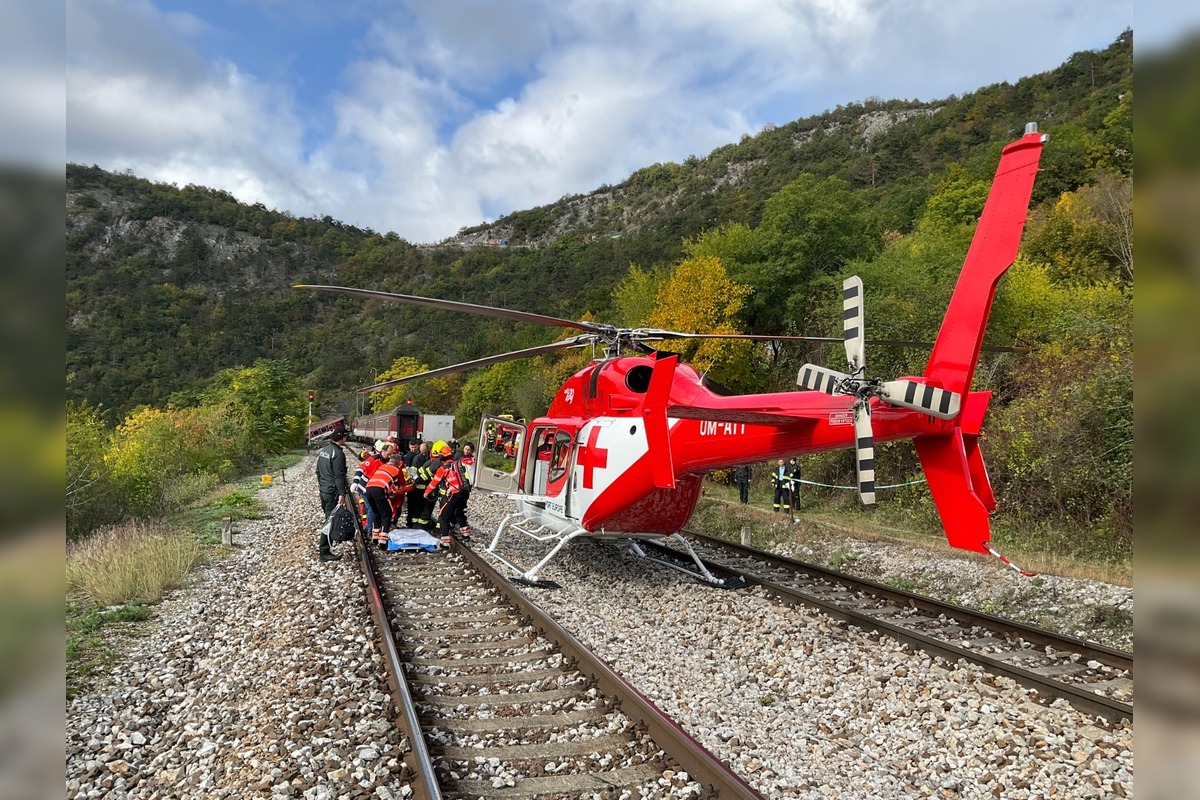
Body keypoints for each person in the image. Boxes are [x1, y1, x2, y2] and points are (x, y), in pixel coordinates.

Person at [315, 428, 350, 561]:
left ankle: (326, 548)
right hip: (332, 491)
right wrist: (342, 493)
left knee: (328, 517)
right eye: (346, 436)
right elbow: (339, 476)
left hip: (324, 489)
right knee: (330, 520)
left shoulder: (324, 451)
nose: (346, 439)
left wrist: (322, 485)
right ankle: (324, 551)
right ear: (342, 437)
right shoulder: (338, 454)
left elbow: (318, 472)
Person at [425, 443, 470, 538]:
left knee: (444, 516)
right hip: (465, 492)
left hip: (455, 494)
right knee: (458, 512)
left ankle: (445, 541)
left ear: (441, 457)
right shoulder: (457, 465)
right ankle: (466, 535)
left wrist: (426, 493)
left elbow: (434, 483)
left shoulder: (443, 469)